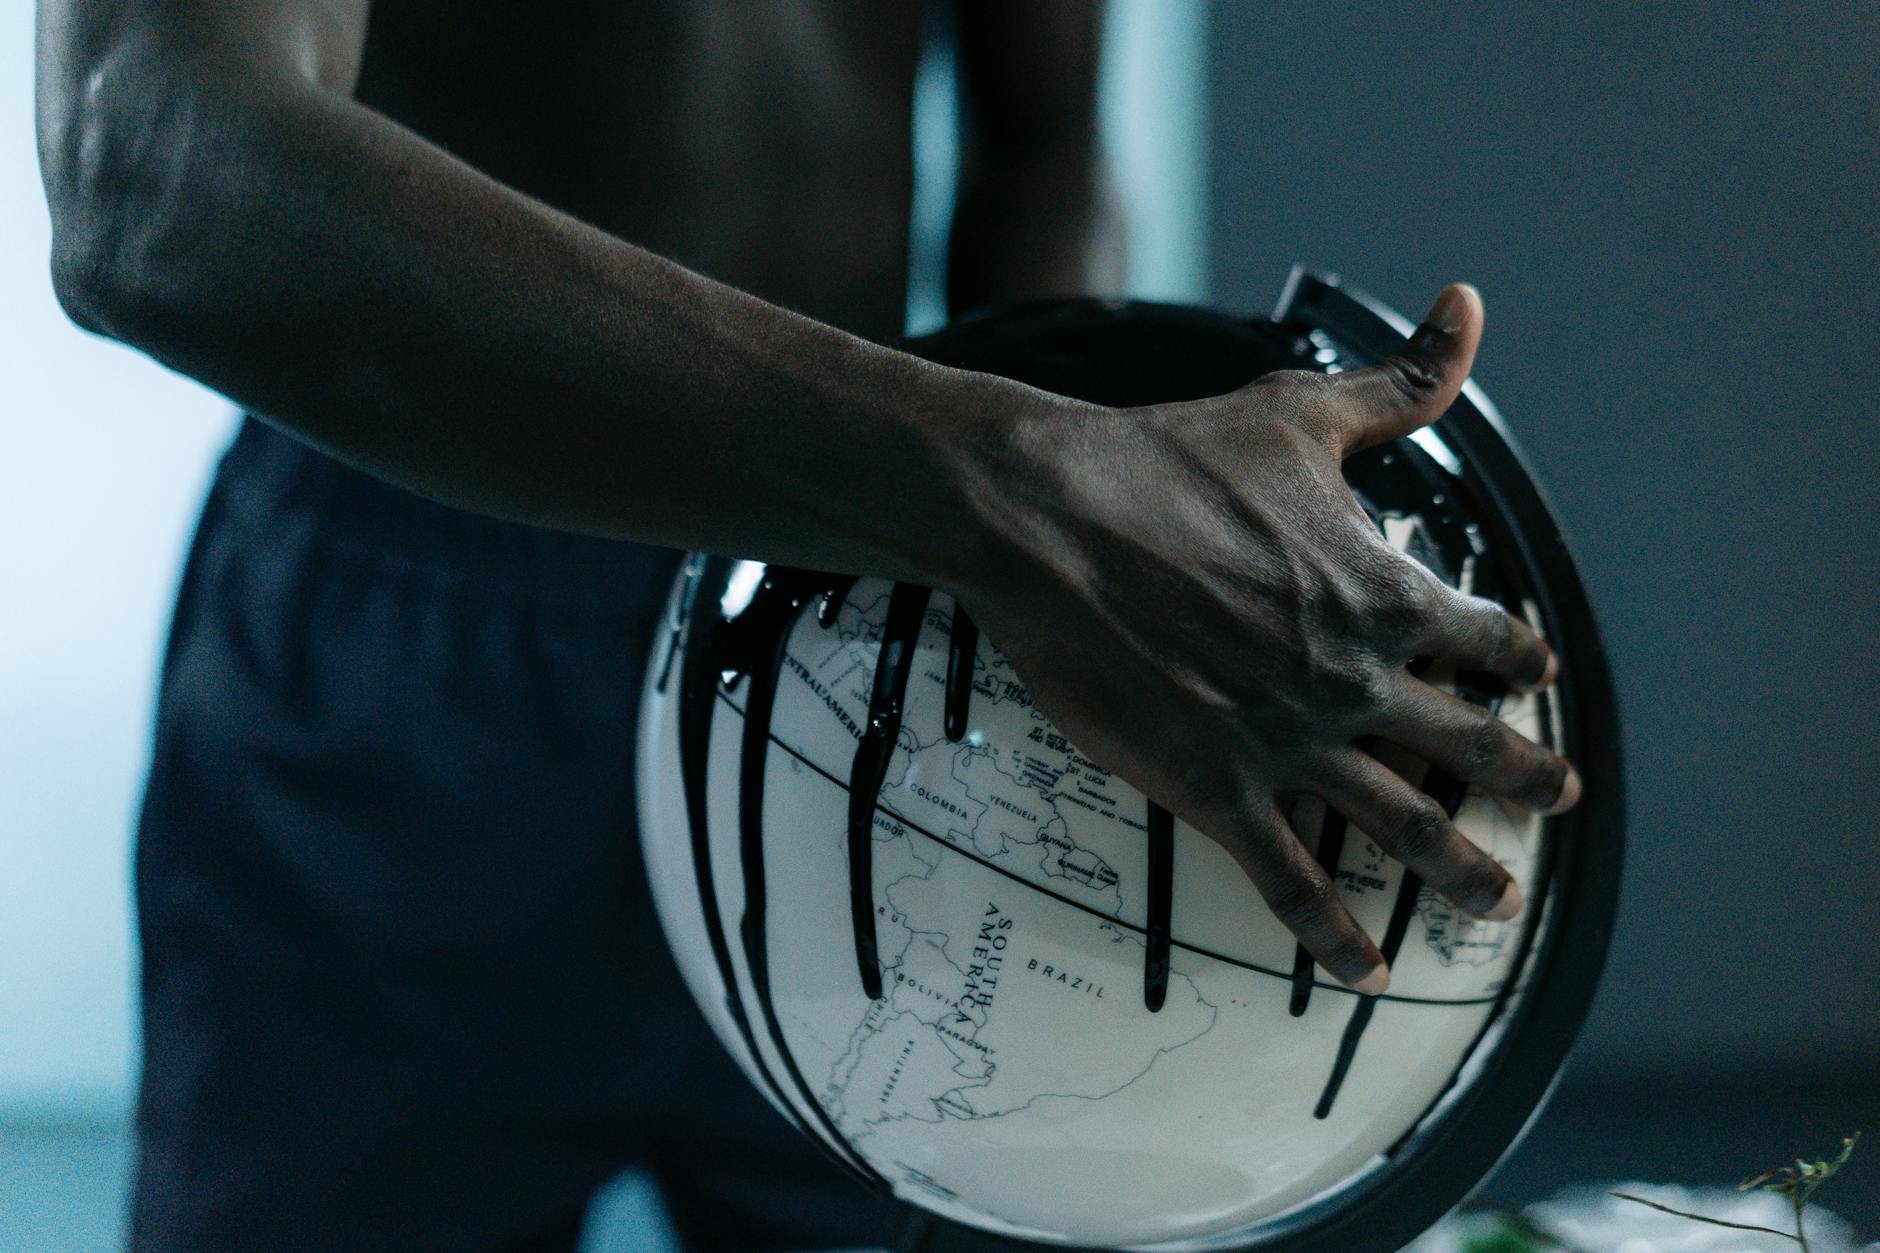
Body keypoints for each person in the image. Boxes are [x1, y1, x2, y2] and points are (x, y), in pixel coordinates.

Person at [35, 2, 1581, 1249]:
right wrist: (1029, 495)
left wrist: (1062, 587)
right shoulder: (988, 491)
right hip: (412, 663)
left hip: (884, 647)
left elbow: (1039, 149)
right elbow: (147, 169)